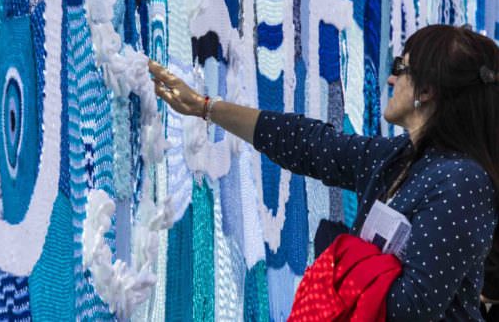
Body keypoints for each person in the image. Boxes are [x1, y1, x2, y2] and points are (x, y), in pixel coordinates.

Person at [149, 24, 499, 321]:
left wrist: (342, 255)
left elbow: (412, 308)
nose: (392, 77)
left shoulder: (461, 182)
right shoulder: (402, 159)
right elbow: (309, 145)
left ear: (426, 91)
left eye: (401, 66)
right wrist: (205, 107)